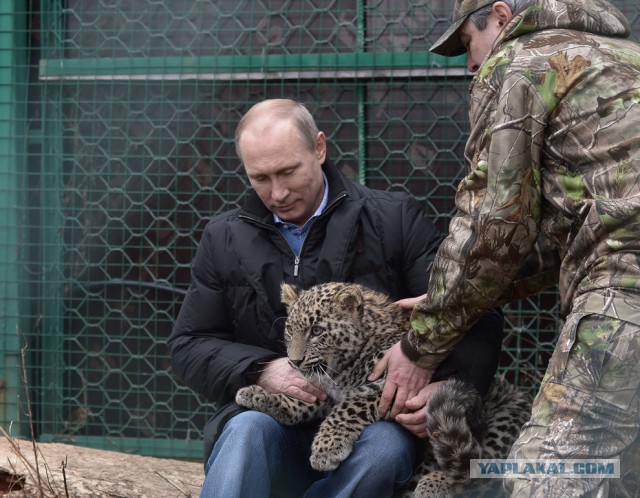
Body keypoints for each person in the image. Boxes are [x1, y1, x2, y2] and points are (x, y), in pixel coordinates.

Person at [167, 98, 505, 498]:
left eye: (288, 171)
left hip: (372, 422)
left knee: (383, 450)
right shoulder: (223, 237)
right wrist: (261, 369)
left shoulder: (393, 219)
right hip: (279, 417)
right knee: (244, 432)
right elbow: (188, 344)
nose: (277, 192)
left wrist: (445, 384)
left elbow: (473, 311)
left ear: (320, 148)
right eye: (259, 178)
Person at [371, 1, 640, 496]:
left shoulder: (520, 62)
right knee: (619, 476)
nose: (470, 65)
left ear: (499, 15)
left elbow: (494, 224)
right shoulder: (624, 56)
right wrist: (448, 303)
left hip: (625, 292)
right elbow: (572, 225)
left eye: (468, 47)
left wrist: (422, 342)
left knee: (543, 478)